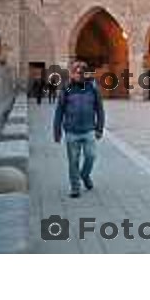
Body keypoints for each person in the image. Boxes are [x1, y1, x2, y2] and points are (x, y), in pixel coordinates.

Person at [53, 60, 105, 198]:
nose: (79, 74)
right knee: (73, 161)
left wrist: (99, 128)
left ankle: (85, 175)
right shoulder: (68, 88)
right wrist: (57, 131)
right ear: (72, 73)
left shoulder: (92, 88)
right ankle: (75, 187)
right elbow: (60, 110)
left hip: (89, 130)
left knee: (91, 156)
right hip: (71, 131)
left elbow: (99, 109)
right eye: (76, 72)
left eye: (81, 72)